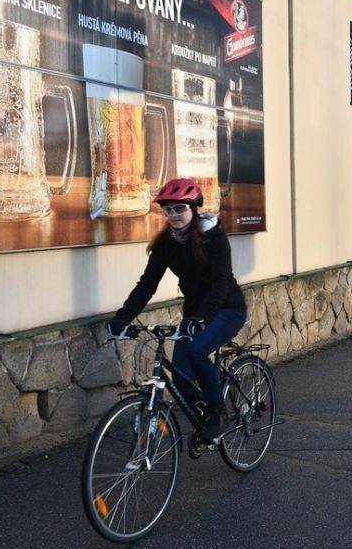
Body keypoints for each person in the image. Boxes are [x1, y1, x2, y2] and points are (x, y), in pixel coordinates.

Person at [106, 178, 247, 442]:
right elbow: (147, 285)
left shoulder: (214, 238)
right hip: (195, 314)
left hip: (228, 309)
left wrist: (201, 317)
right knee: (181, 375)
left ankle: (217, 410)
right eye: (167, 210)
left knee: (196, 351)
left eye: (179, 208)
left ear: (194, 208)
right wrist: (123, 317)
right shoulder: (166, 246)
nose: (173, 215)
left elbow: (221, 281)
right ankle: (203, 411)